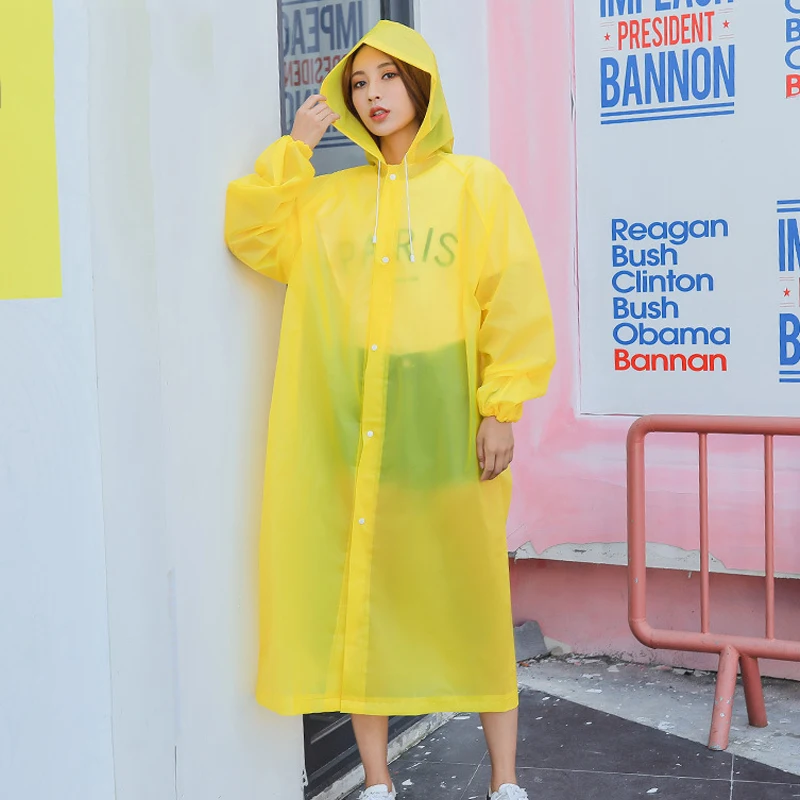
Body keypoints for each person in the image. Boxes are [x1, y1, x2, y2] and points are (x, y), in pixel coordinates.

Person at [225, 20, 555, 800]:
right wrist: (297, 148)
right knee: (364, 601)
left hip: (445, 425)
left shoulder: (475, 186)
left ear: (421, 86)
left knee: (472, 594)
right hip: (352, 430)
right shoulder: (329, 202)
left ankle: (505, 781)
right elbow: (253, 232)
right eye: (359, 82)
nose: (373, 94)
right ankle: (376, 781)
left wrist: (501, 406)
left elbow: (510, 298)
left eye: (388, 77)